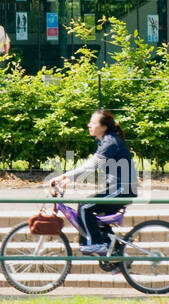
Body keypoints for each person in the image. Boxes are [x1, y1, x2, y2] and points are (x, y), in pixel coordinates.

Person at [50, 108, 136, 254]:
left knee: (85, 207)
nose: (89, 125)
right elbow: (89, 164)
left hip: (123, 190)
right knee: (92, 212)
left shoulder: (111, 142)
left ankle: (96, 244)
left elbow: (91, 167)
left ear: (103, 127)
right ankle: (114, 252)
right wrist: (68, 178)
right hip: (115, 189)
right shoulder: (103, 141)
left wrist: (65, 177)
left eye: (93, 122)